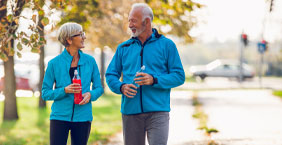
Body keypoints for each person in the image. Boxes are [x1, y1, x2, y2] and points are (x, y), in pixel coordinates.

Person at [105, 3, 185, 145]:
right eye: (129, 20)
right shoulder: (123, 48)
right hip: (130, 112)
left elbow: (179, 76)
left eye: (133, 20)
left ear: (146, 21)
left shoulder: (167, 45)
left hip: (158, 112)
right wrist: (121, 87)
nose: (130, 25)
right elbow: (110, 75)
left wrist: (154, 80)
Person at [42, 22, 104, 145]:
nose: (84, 37)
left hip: (83, 117)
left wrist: (91, 95)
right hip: (59, 117)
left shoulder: (90, 61)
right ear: (69, 40)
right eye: (80, 34)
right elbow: (45, 93)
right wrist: (64, 90)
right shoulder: (54, 64)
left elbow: (99, 88)